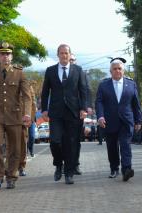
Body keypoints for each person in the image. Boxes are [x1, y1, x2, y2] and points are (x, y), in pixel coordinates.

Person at [0, 42, 32, 189]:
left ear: (12, 56)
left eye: (8, 54)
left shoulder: (19, 72)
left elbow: (27, 96)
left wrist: (27, 114)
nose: (5, 56)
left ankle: (11, 176)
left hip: (15, 116)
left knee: (15, 149)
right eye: (2, 54)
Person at [41, 44, 87, 184]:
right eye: (61, 53)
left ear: (69, 54)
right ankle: (58, 164)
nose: (64, 55)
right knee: (55, 141)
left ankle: (69, 173)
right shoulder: (50, 71)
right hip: (55, 113)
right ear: (58, 55)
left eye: (66, 53)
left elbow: (83, 90)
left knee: (71, 144)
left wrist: (83, 108)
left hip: (73, 112)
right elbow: (45, 92)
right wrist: (44, 109)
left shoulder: (78, 70)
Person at [95, 57, 141, 181]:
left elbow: (136, 104)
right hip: (109, 121)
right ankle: (114, 168)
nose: (117, 71)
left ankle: (126, 169)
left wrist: (138, 121)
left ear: (123, 70)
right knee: (112, 147)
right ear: (110, 71)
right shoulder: (104, 85)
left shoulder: (131, 84)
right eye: (114, 69)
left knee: (126, 144)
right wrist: (100, 116)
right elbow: (99, 102)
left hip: (126, 121)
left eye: (119, 69)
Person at [18, 85, 36, 176]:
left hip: (23, 119)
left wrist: (31, 119)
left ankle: (21, 166)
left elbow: (33, 103)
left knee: (22, 143)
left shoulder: (28, 86)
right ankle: (9, 167)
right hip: (10, 119)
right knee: (10, 144)